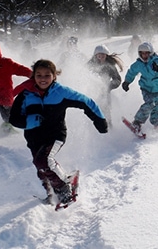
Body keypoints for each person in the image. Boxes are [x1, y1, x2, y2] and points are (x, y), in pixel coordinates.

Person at [10, 59, 108, 205]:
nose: (43, 79)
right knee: (40, 167)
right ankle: (51, 193)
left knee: (43, 161)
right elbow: (14, 118)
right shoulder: (25, 94)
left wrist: (100, 121)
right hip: (33, 137)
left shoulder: (61, 92)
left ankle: (64, 188)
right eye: (39, 75)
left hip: (55, 135)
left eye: (47, 75)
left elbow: (86, 102)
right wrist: (32, 121)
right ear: (33, 76)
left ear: (54, 76)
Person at [122, 42, 158, 132]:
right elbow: (131, 72)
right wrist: (127, 82)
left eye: (146, 53)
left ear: (150, 53)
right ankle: (137, 122)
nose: (144, 55)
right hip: (146, 88)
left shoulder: (156, 62)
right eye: (142, 53)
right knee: (150, 104)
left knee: (157, 107)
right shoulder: (138, 63)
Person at [87, 44, 123, 116]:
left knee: (106, 108)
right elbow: (83, 74)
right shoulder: (90, 65)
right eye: (99, 56)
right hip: (93, 90)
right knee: (93, 108)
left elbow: (117, 79)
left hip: (105, 91)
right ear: (96, 56)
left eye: (103, 55)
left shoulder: (110, 66)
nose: (101, 58)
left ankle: (108, 125)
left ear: (106, 55)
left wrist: (109, 85)